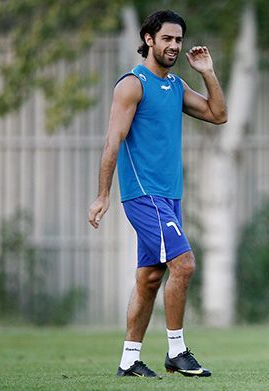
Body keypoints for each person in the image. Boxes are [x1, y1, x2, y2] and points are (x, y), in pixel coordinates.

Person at [88, 9, 226, 378]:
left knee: (150, 278)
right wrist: (102, 195)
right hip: (145, 196)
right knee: (184, 265)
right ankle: (177, 352)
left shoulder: (176, 87)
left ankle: (129, 360)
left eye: (178, 40)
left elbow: (218, 114)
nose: (174, 46)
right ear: (149, 39)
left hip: (170, 197)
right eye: (166, 38)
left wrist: (208, 72)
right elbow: (112, 141)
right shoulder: (132, 85)